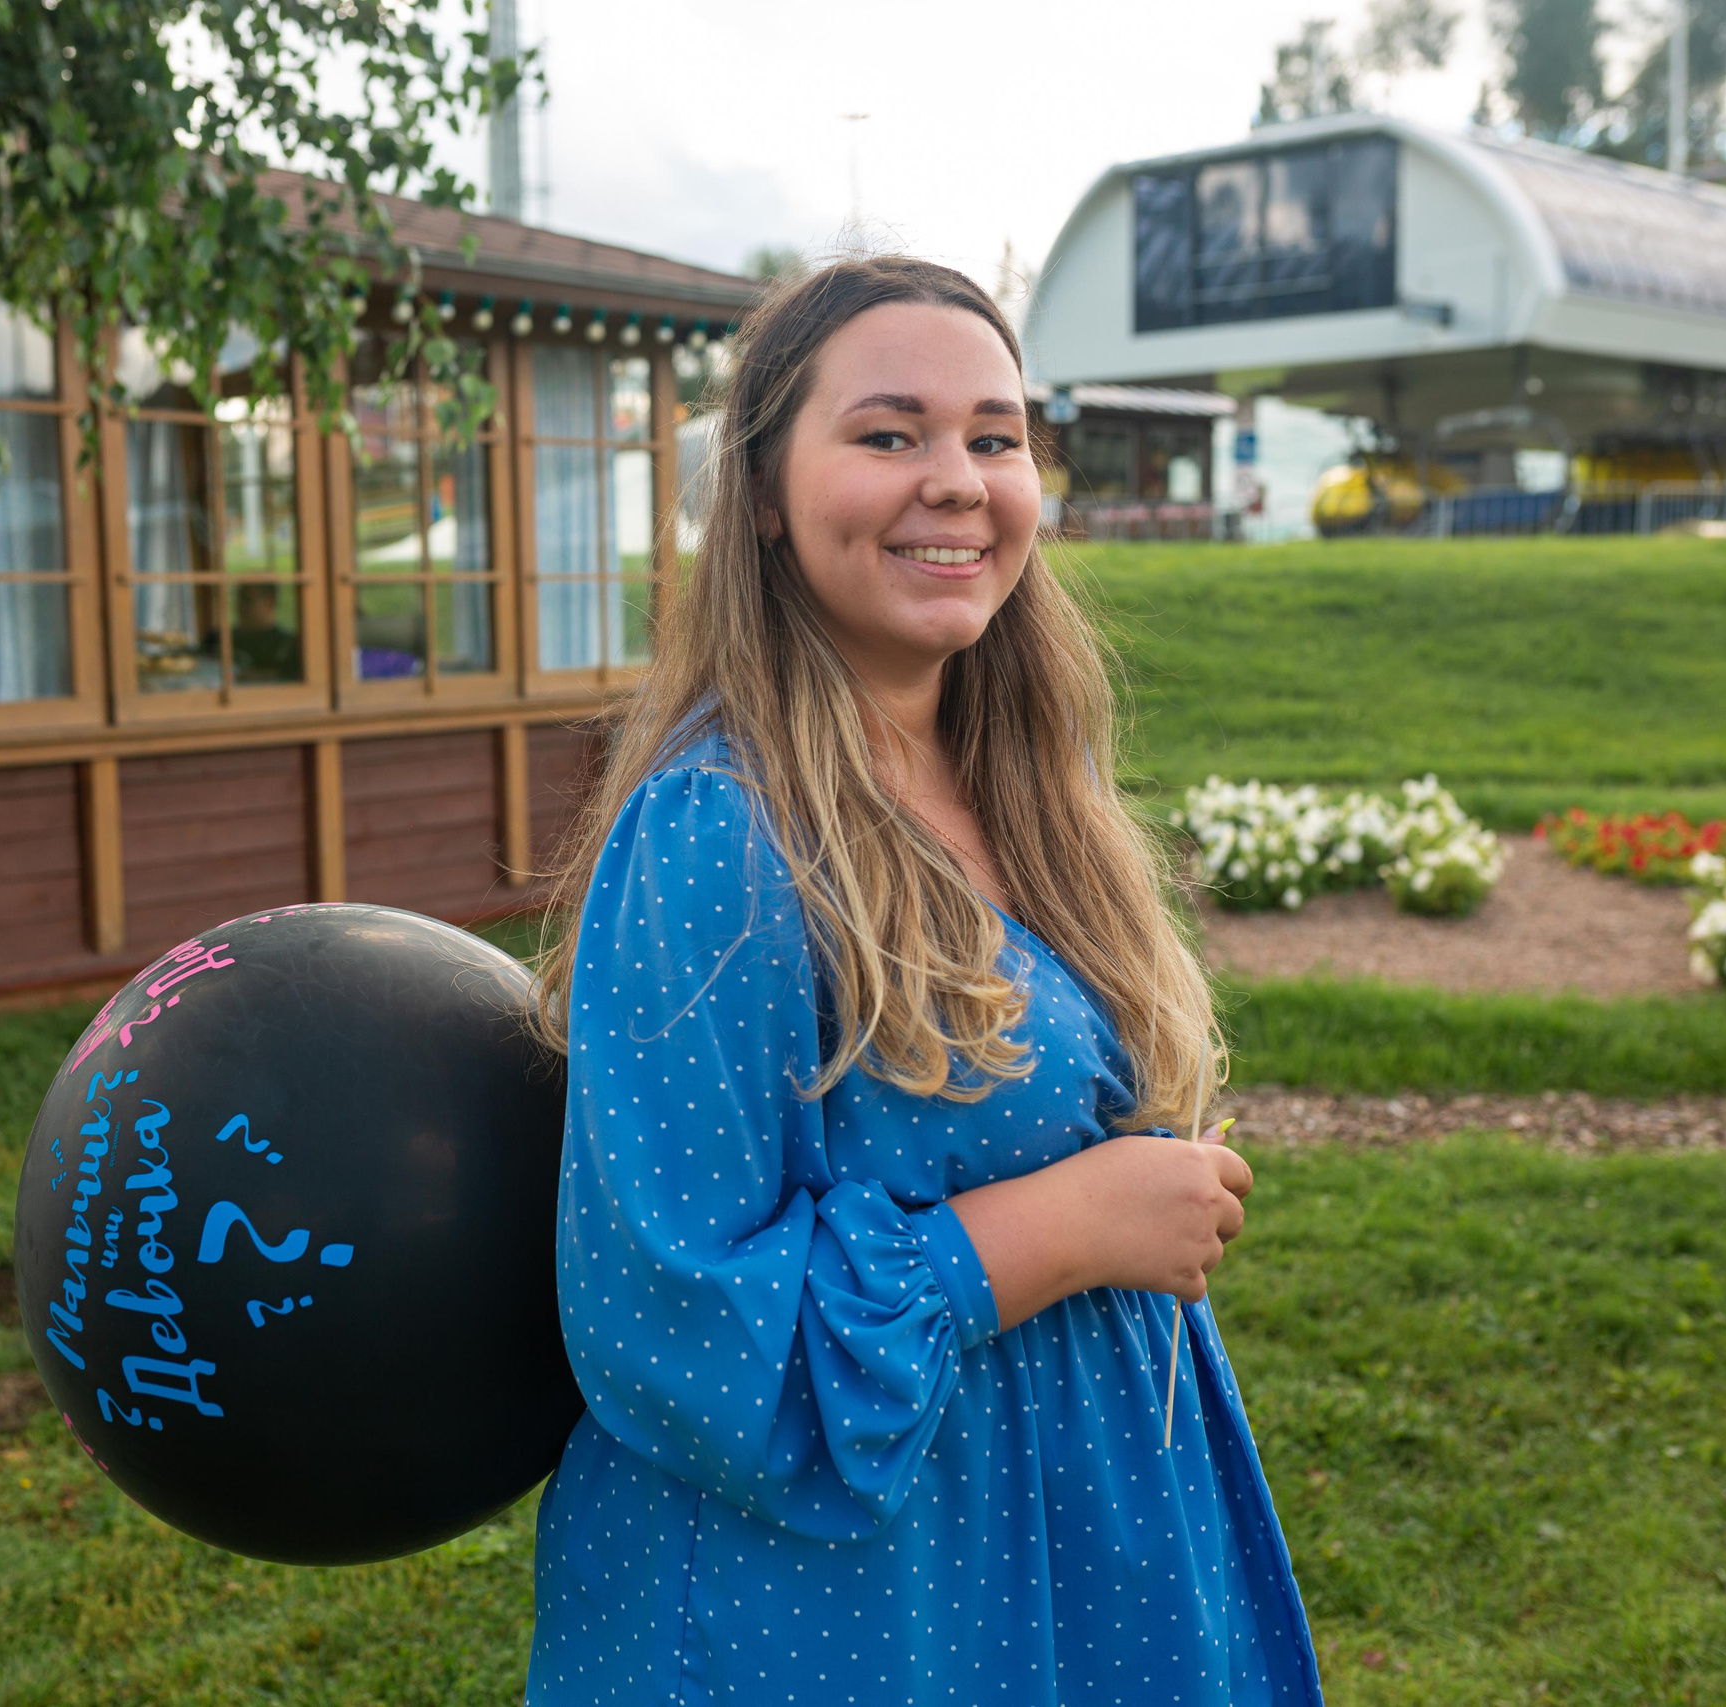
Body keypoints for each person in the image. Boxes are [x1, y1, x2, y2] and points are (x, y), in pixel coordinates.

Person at [524, 256, 1320, 1704]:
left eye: (995, 438)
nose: (956, 480)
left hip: (1082, 1547)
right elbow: (672, 1321)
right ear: (763, 492)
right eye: (889, 435)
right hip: (858, 1609)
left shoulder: (1030, 785)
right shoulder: (724, 832)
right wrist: (1069, 1225)